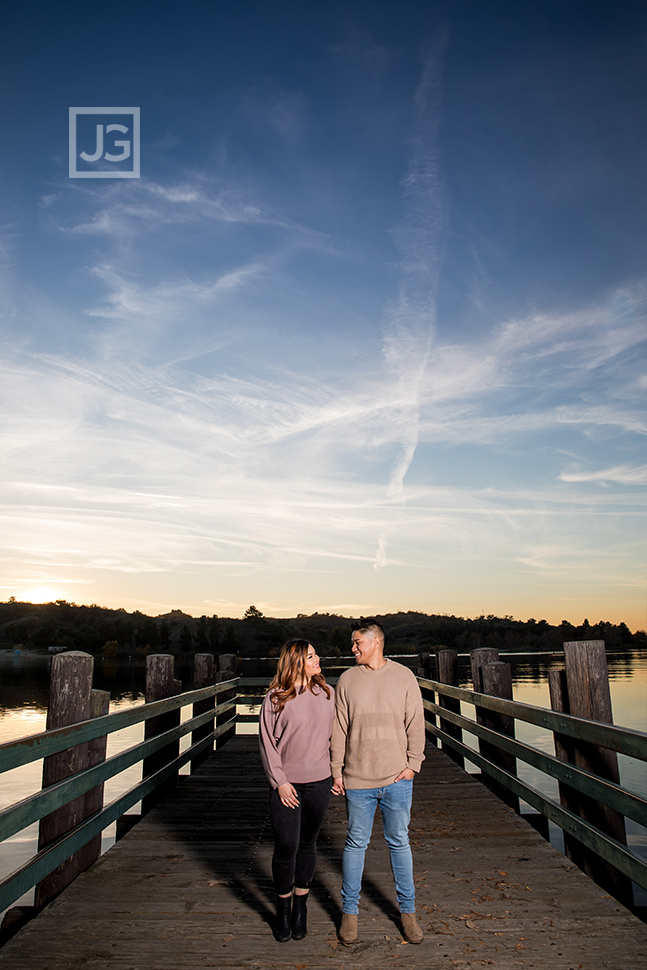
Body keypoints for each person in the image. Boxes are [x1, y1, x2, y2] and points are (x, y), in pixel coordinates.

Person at [331, 618, 426, 946]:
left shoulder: (403, 677)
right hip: (358, 780)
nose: (353, 648)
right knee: (356, 844)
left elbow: (416, 724)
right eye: (353, 643)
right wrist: (335, 771)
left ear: (375, 643)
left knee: (399, 843)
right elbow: (338, 729)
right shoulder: (346, 680)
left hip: (397, 779)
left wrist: (413, 765)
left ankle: (408, 913)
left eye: (358, 643)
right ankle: (350, 913)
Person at [259, 638, 335, 942]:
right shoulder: (275, 698)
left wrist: (338, 773)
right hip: (286, 785)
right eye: (312, 656)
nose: (318, 659)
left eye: (317, 654)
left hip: (319, 781)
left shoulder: (327, 694)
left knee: (308, 843)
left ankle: (301, 908)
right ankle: (284, 910)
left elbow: (337, 736)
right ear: (297, 662)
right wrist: (280, 782)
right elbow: (267, 744)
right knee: (286, 846)